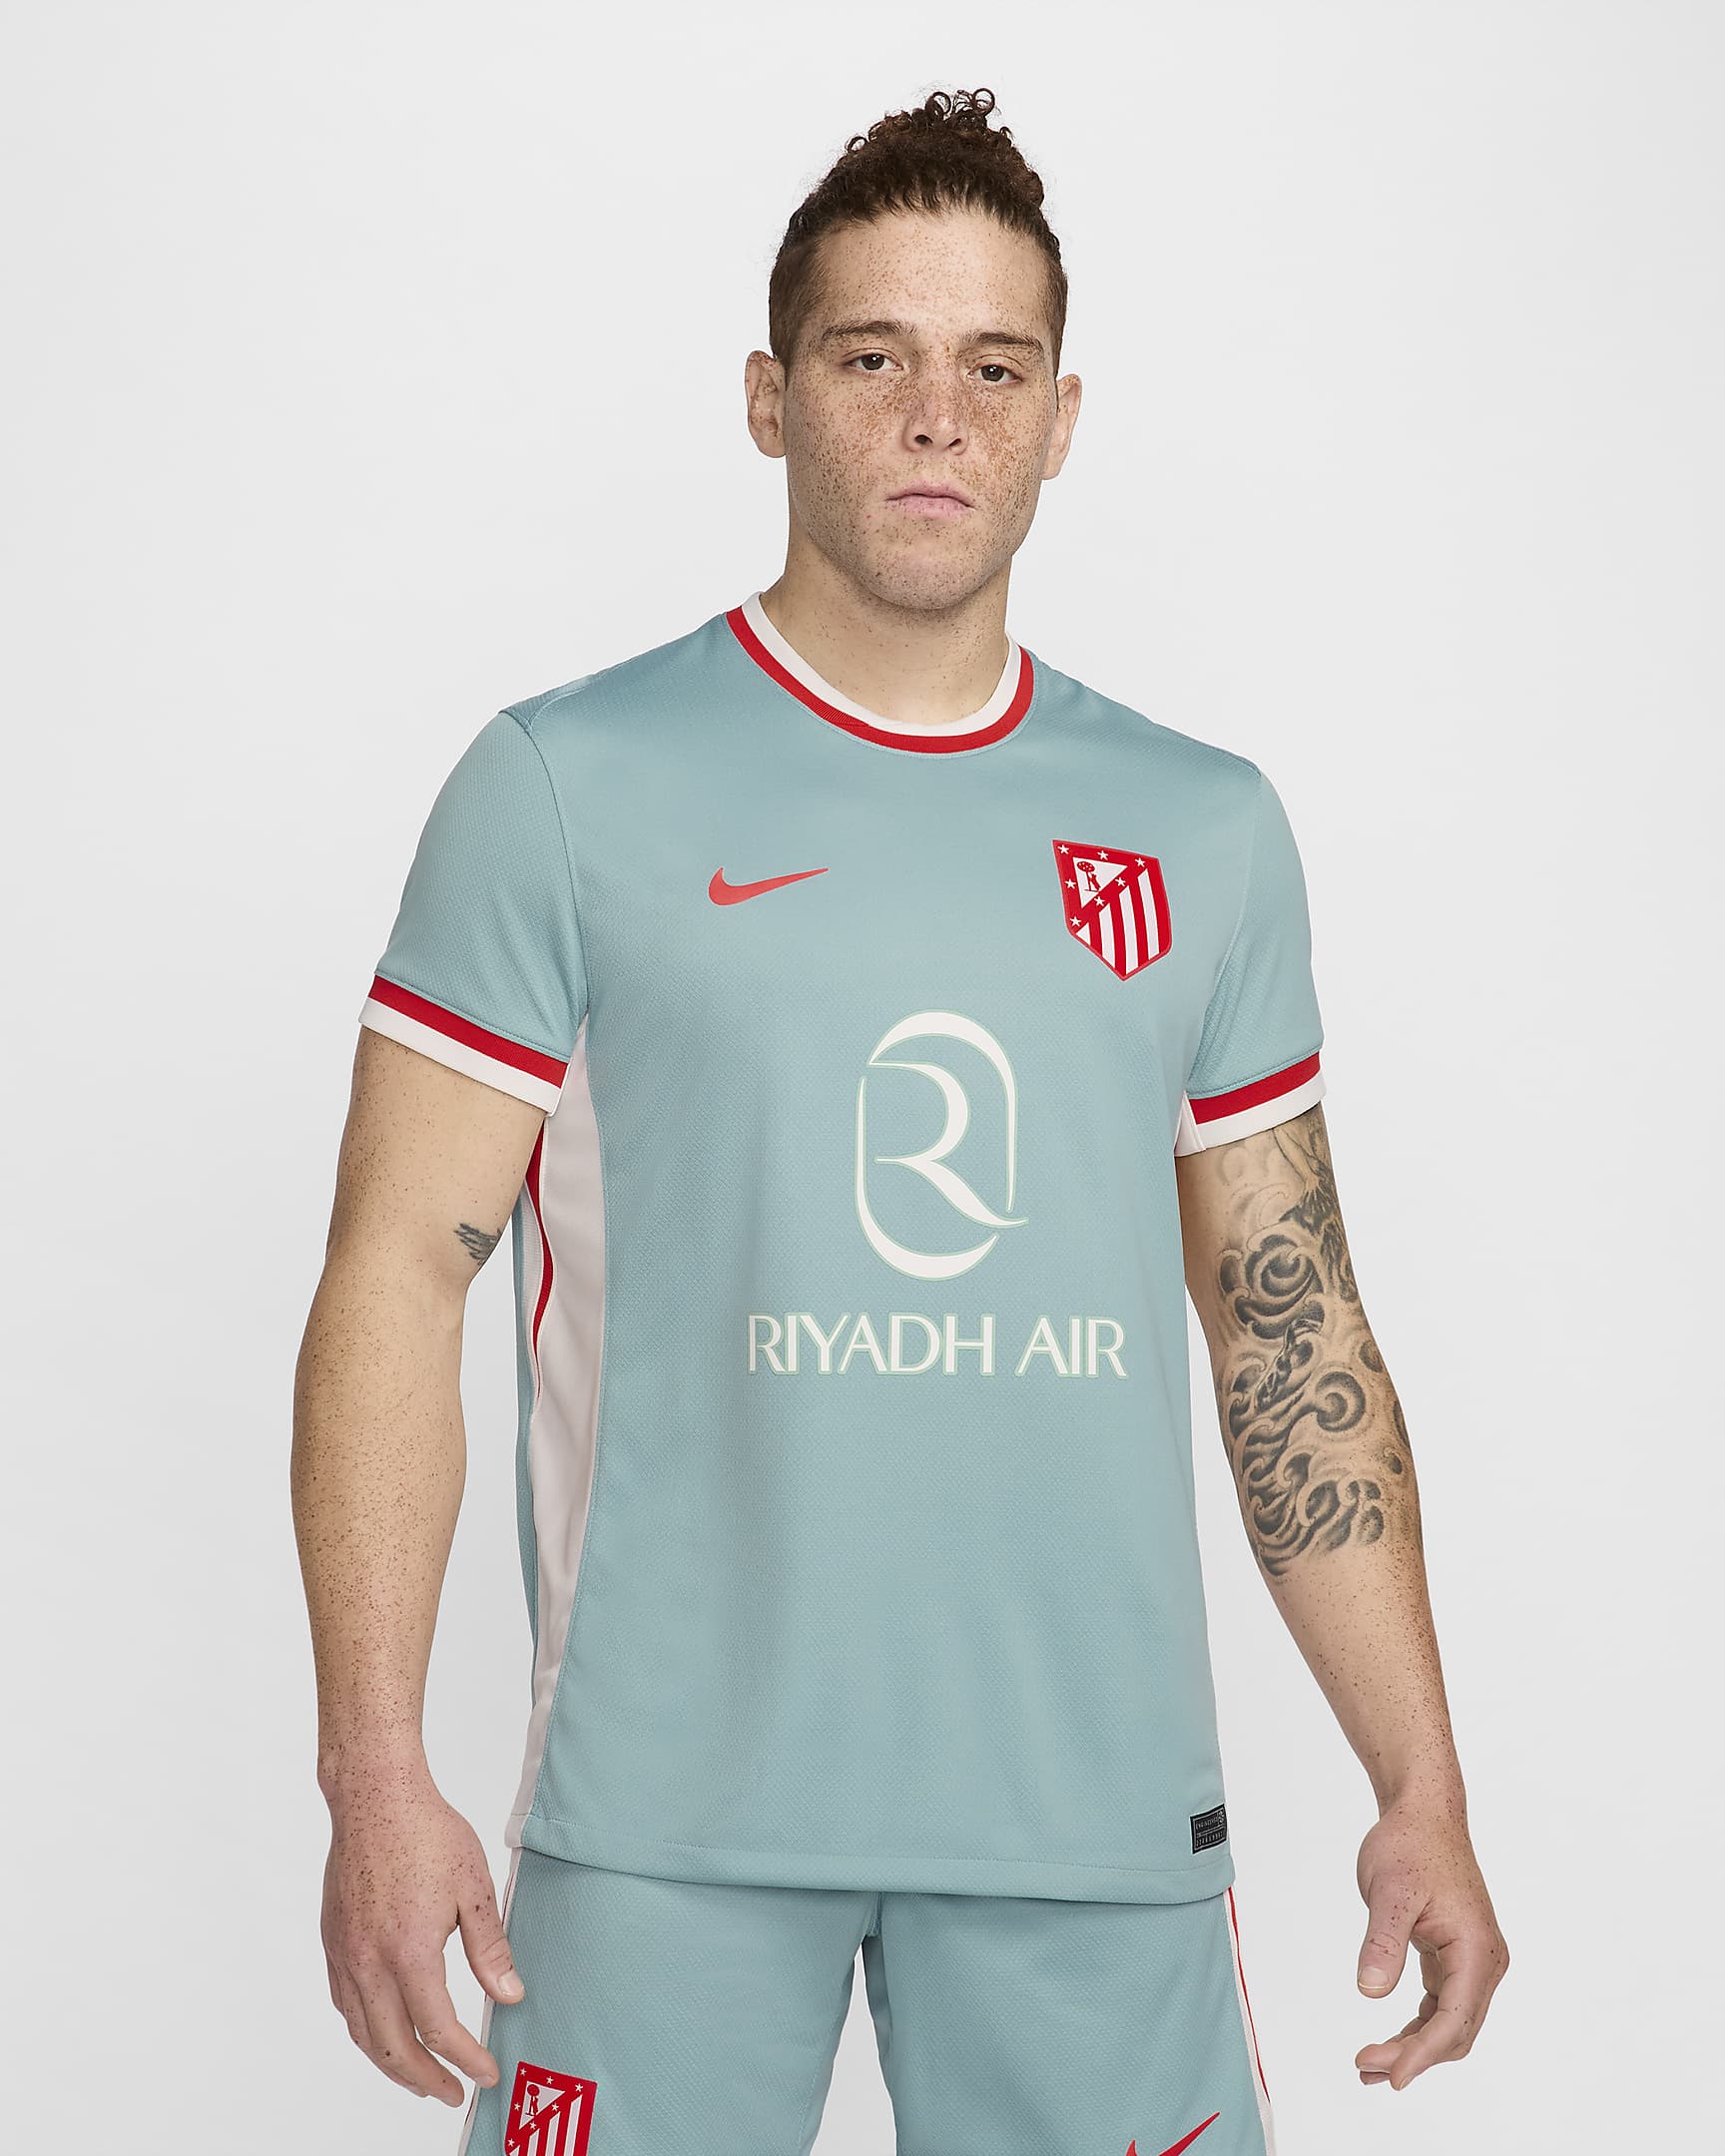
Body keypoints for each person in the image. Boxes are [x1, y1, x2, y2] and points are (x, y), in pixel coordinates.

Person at [291, 85, 1507, 2156]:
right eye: (874, 359)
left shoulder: (1203, 832)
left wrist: (1422, 1778)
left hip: (1090, 1819)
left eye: (994, 369)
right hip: (665, 1817)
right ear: (772, 399)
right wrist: (374, 1775)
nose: (939, 417)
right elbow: (397, 1272)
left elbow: (1286, 1328)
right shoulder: (565, 789)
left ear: (1062, 418)